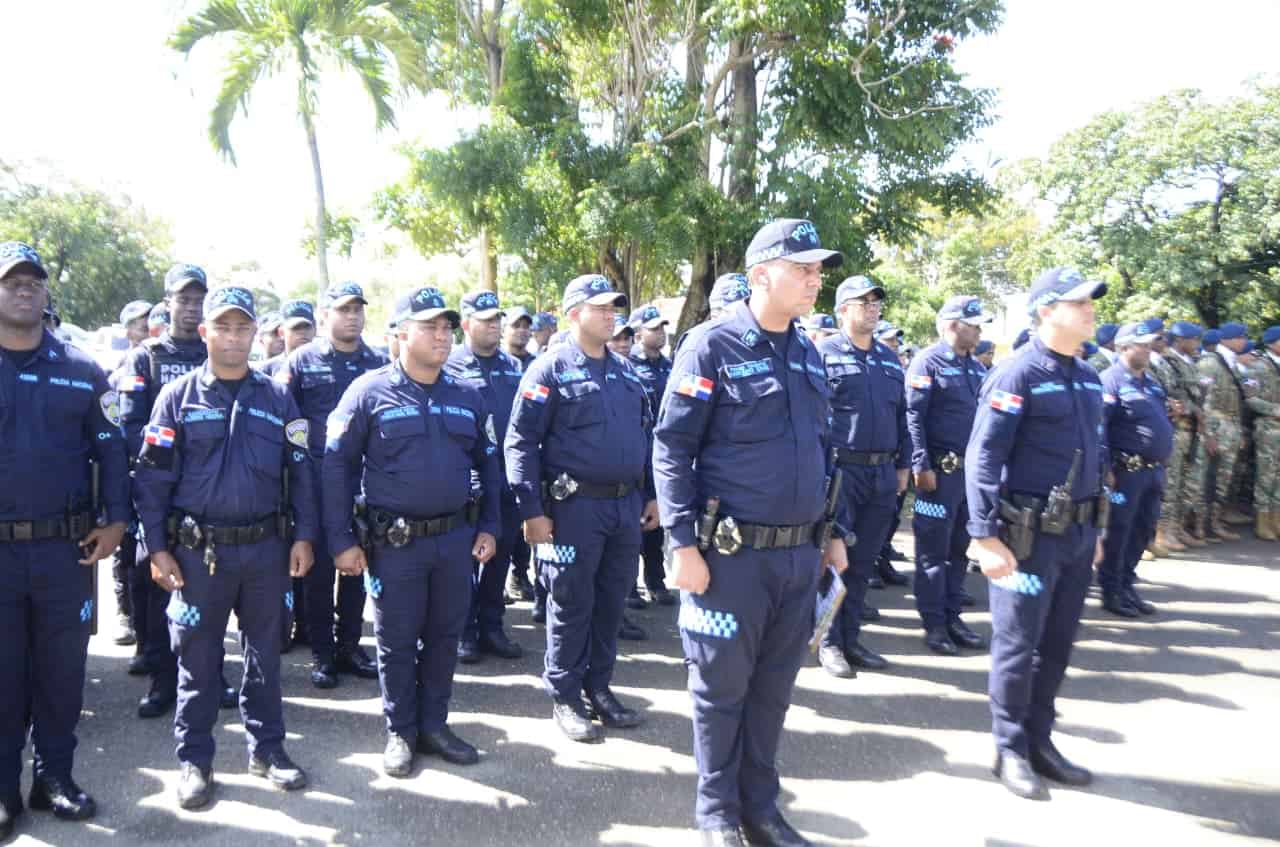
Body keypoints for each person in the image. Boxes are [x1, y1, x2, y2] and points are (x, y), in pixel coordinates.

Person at [654, 218, 850, 847]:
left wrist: (833, 531)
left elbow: (822, 450)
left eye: (820, 270)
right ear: (762, 274)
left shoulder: (807, 351)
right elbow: (672, 448)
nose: (816, 280)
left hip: (797, 556)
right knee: (720, 692)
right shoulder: (710, 346)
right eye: (805, 269)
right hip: (729, 560)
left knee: (773, 692)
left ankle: (760, 809)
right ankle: (715, 813)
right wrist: (681, 542)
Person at [133, 285, 317, 809]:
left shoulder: (279, 398)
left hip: (264, 551)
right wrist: (157, 548)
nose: (234, 337)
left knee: (265, 657)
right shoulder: (177, 397)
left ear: (257, 334)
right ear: (205, 331)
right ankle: (195, 761)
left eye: (243, 328)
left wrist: (304, 535)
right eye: (224, 327)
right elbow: (150, 480)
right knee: (197, 658)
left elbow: (302, 472)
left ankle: (268, 751)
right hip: (196, 553)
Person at [324, 286, 499, 776]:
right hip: (395, 544)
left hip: (453, 541)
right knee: (397, 639)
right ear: (399, 334)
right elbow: (335, 468)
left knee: (445, 636)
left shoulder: (467, 393)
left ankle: (435, 725)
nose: (442, 336)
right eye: (430, 327)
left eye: (446, 327)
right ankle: (400, 729)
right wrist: (340, 540)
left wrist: (489, 525)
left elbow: (489, 463)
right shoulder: (367, 393)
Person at [0, 242, 129, 837]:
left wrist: (117, 522)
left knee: (60, 673)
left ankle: (55, 779)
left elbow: (112, 447)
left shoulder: (82, 369)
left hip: (63, 552)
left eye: (33, 281)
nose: (23, 289)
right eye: (11, 281)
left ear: (47, 292)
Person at [966, 267, 1109, 800]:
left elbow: (1099, 458)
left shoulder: (1089, 376)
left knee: (1057, 645)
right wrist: (983, 535)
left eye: (1091, 302)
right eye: (1079, 302)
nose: (1090, 309)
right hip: (1026, 541)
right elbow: (983, 458)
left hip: (1075, 537)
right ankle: (1009, 748)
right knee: (1018, 647)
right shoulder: (1016, 375)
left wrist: (1096, 529)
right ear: (1046, 311)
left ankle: (1041, 740)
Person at [505, 274, 657, 743]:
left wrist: (650, 494)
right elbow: (520, 442)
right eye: (601, 308)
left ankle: (600, 688)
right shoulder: (548, 371)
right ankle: (566, 696)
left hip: (623, 508)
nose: (611, 314)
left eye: (615, 308)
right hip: (572, 511)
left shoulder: (626, 372)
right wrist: (531, 510)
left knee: (611, 604)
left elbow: (644, 439)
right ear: (573, 315)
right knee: (571, 604)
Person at [119, 263, 236, 718]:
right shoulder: (147, 356)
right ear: (167, 303)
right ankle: (163, 680)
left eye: (197, 299)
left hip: (209, 498)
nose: (190, 307)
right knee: (156, 593)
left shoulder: (219, 355)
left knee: (211, 594)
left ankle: (214, 675)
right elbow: (131, 427)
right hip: (162, 492)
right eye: (183, 299)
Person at [286, 282, 387, 689]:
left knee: (356, 566)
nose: (352, 316)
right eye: (343, 309)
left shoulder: (378, 362)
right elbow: (287, 421)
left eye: (358, 309)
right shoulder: (300, 361)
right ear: (325, 314)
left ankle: (350, 645)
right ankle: (323, 654)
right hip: (312, 480)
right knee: (318, 572)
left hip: (360, 483)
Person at [815, 274, 909, 678]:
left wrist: (903, 465)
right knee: (836, 562)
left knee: (865, 562)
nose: (872, 307)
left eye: (876, 302)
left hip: (882, 473)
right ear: (842, 310)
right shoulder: (822, 354)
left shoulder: (889, 359)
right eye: (862, 301)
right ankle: (829, 642)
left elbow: (901, 417)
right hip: (841, 471)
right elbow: (812, 420)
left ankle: (850, 638)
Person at [905, 295, 992, 655]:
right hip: (938, 476)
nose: (979, 332)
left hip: (966, 478)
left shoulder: (977, 368)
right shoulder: (928, 363)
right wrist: (920, 465)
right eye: (974, 325)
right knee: (932, 553)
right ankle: (934, 624)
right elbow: (913, 416)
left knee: (959, 550)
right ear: (953, 325)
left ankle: (953, 616)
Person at [444, 290, 525, 663]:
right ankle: (465, 631)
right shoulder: (450, 365)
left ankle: (492, 625)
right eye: (486, 319)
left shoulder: (513, 366)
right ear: (465, 325)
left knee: (500, 555)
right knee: (463, 563)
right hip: (464, 481)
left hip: (504, 479)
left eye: (497, 319)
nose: (494, 326)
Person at [1097, 321, 1174, 617]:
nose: (1148, 349)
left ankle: (1127, 584)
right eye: (1141, 344)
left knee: (1143, 530)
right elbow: (1099, 428)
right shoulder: (1111, 381)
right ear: (1123, 347)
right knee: (1119, 531)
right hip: (1125, 472)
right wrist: (1105, 467)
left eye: (1149, 344)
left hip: (1153, 471)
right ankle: (1111, 590)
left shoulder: (1151, 382)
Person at [108, 299, 154, 647]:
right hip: (132, 465)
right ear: (128, 330)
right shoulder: (123, 366)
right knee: (127, 552)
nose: (145, 327)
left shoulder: (158, 358)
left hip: (162, 469)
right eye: (139, 323)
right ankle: (128, 618)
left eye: (148, 320)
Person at [627, 304, 675, 608]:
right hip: (638, 452)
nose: (660, 332)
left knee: (658, 524)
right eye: (654, 328)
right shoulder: (627, 366)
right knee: (633, 522)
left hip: (665, 452)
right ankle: (629, 586)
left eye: (662, 327)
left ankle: (656, 581)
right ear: (637, 333)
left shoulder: (669, 366)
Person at [1193, 322, 1249, 541]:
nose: (1244, 341)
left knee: (1222, 480)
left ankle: (1214, 523)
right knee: (1204, 479)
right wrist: (1207, 434)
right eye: (1241, 337)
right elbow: (1202, 398)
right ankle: (1198, 526)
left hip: (1231, 427)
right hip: (1214, 427)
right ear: (1227, 339)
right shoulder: (1210, 362)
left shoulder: (1231, 362)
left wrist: (1240, 433)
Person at [1156, 322, 1206, 549]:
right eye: (1193, 339)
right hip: (1175, 427)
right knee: (1171, 483)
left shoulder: (1186, 362)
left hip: (1188, 429)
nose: (1197, 343)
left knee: (1183, 482)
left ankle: (1175, 528)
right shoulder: (1167, 362)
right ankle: (1161, 532)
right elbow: (1170, 395)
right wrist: (1191, 409)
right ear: (1180, 340)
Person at [1246, 326, 1280, 540]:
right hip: (1268, 428)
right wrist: (1275, 410)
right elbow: (1250, 398)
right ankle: (1262, 521)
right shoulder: (1257, 366)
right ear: (1273, 342)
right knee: (1266, 475)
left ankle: (1276, 519)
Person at [258, 300, 316, 379]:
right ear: (281, 333)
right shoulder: (266, 370)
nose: (302, 332)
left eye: (307, 327)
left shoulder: (327, 365)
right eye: (296, 327)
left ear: (315, 331)